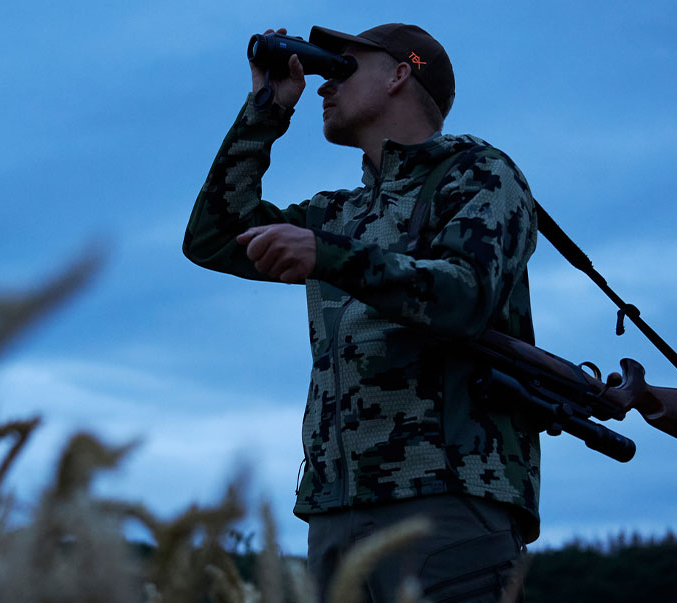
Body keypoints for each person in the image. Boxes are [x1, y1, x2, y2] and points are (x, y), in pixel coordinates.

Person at [183, 23, 540, 603]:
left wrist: (327, 255)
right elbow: (213, 237)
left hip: (444, 500)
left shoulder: (478, 175)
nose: (323, 85)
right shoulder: (336, 214)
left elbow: (464, 295)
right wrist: (266, 109)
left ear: (401, 73)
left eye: (341, 67)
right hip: (335, 510)